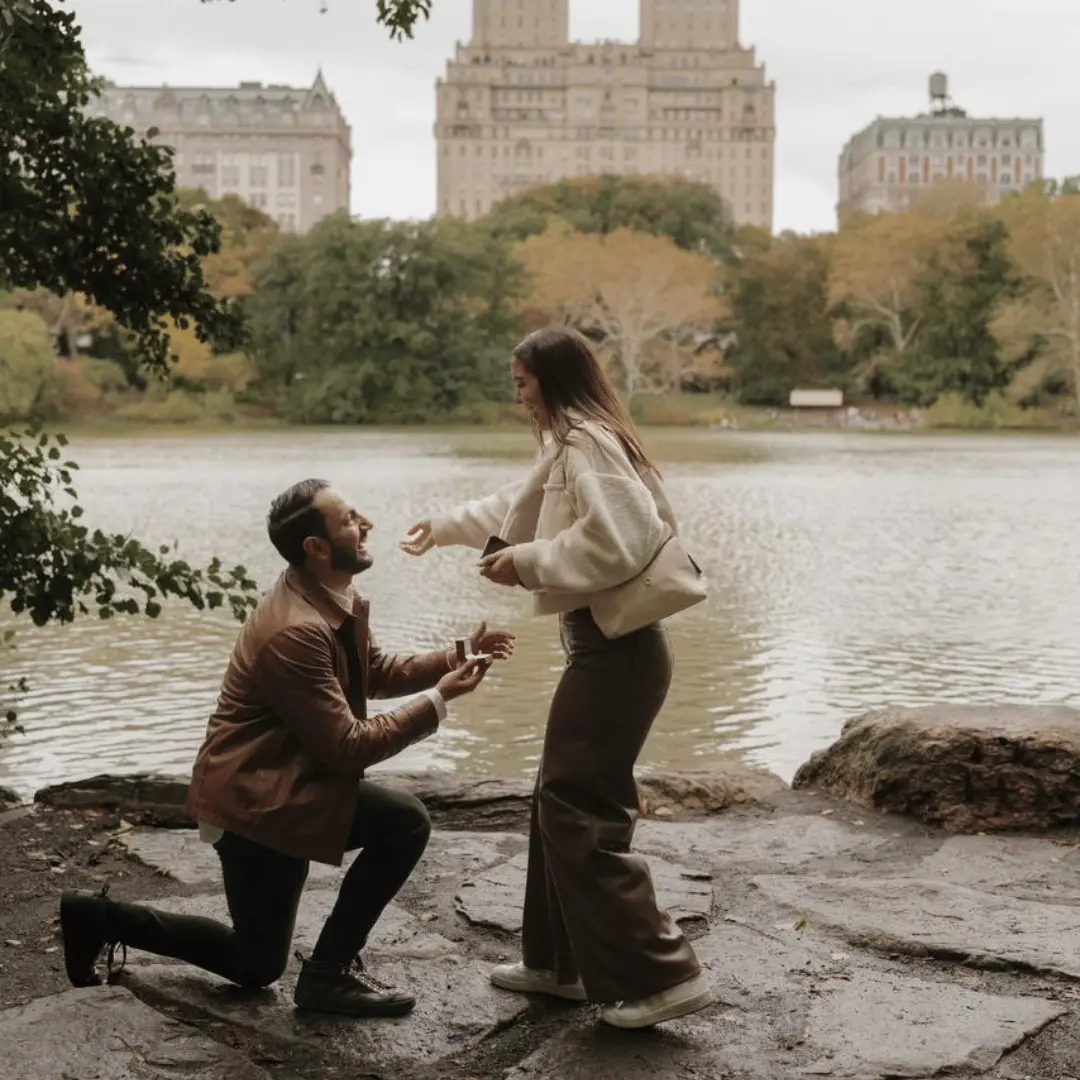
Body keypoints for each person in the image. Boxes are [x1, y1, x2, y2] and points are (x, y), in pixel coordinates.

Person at [59, 479, 514, 1018]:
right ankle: (321, 976)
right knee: (397, 830)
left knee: (257, 963)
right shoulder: (295, 630)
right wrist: (439, 700)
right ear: (316, 548)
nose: (365, 522)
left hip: (287, 783)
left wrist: (456, 655)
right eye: (348, 519)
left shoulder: (327, 597)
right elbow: (348, 748)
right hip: (256, 802)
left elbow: (373, 671)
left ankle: (104, 921)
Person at [400, 327, 712, 1029]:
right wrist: (446, 525)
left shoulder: (588, 442)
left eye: (521, 383)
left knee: (578, 808)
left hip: (619, 655)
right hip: (604, 652)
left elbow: (623, 540)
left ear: (553, 380)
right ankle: (558, 965)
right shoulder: (572, 441)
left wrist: (529, 562)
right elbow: (523, 505)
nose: (516, 397)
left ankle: (665, 975)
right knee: (557, 798)